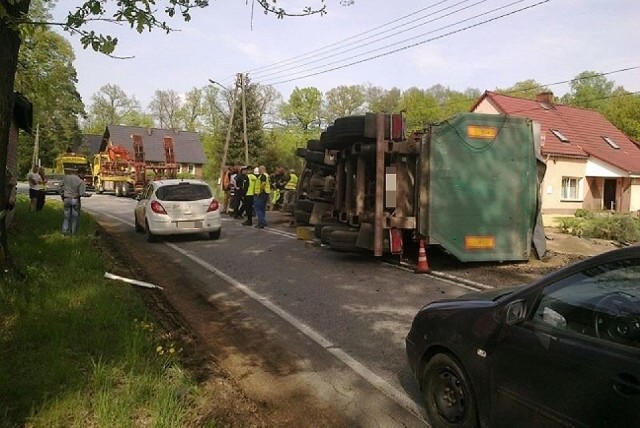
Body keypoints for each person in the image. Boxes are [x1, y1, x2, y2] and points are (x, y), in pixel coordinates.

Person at [58, 167, 87, 236]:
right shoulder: (80, 181)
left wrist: (62, 195)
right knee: (75, 217)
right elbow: (81, 193)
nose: (84, 176)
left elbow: (59, 188)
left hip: (66, 199)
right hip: (75, 199)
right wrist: (88, 195)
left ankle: (65, 232)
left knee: (66, 216)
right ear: (80, 173)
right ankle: (73, 233)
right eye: (84, 174)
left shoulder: (66, 178)